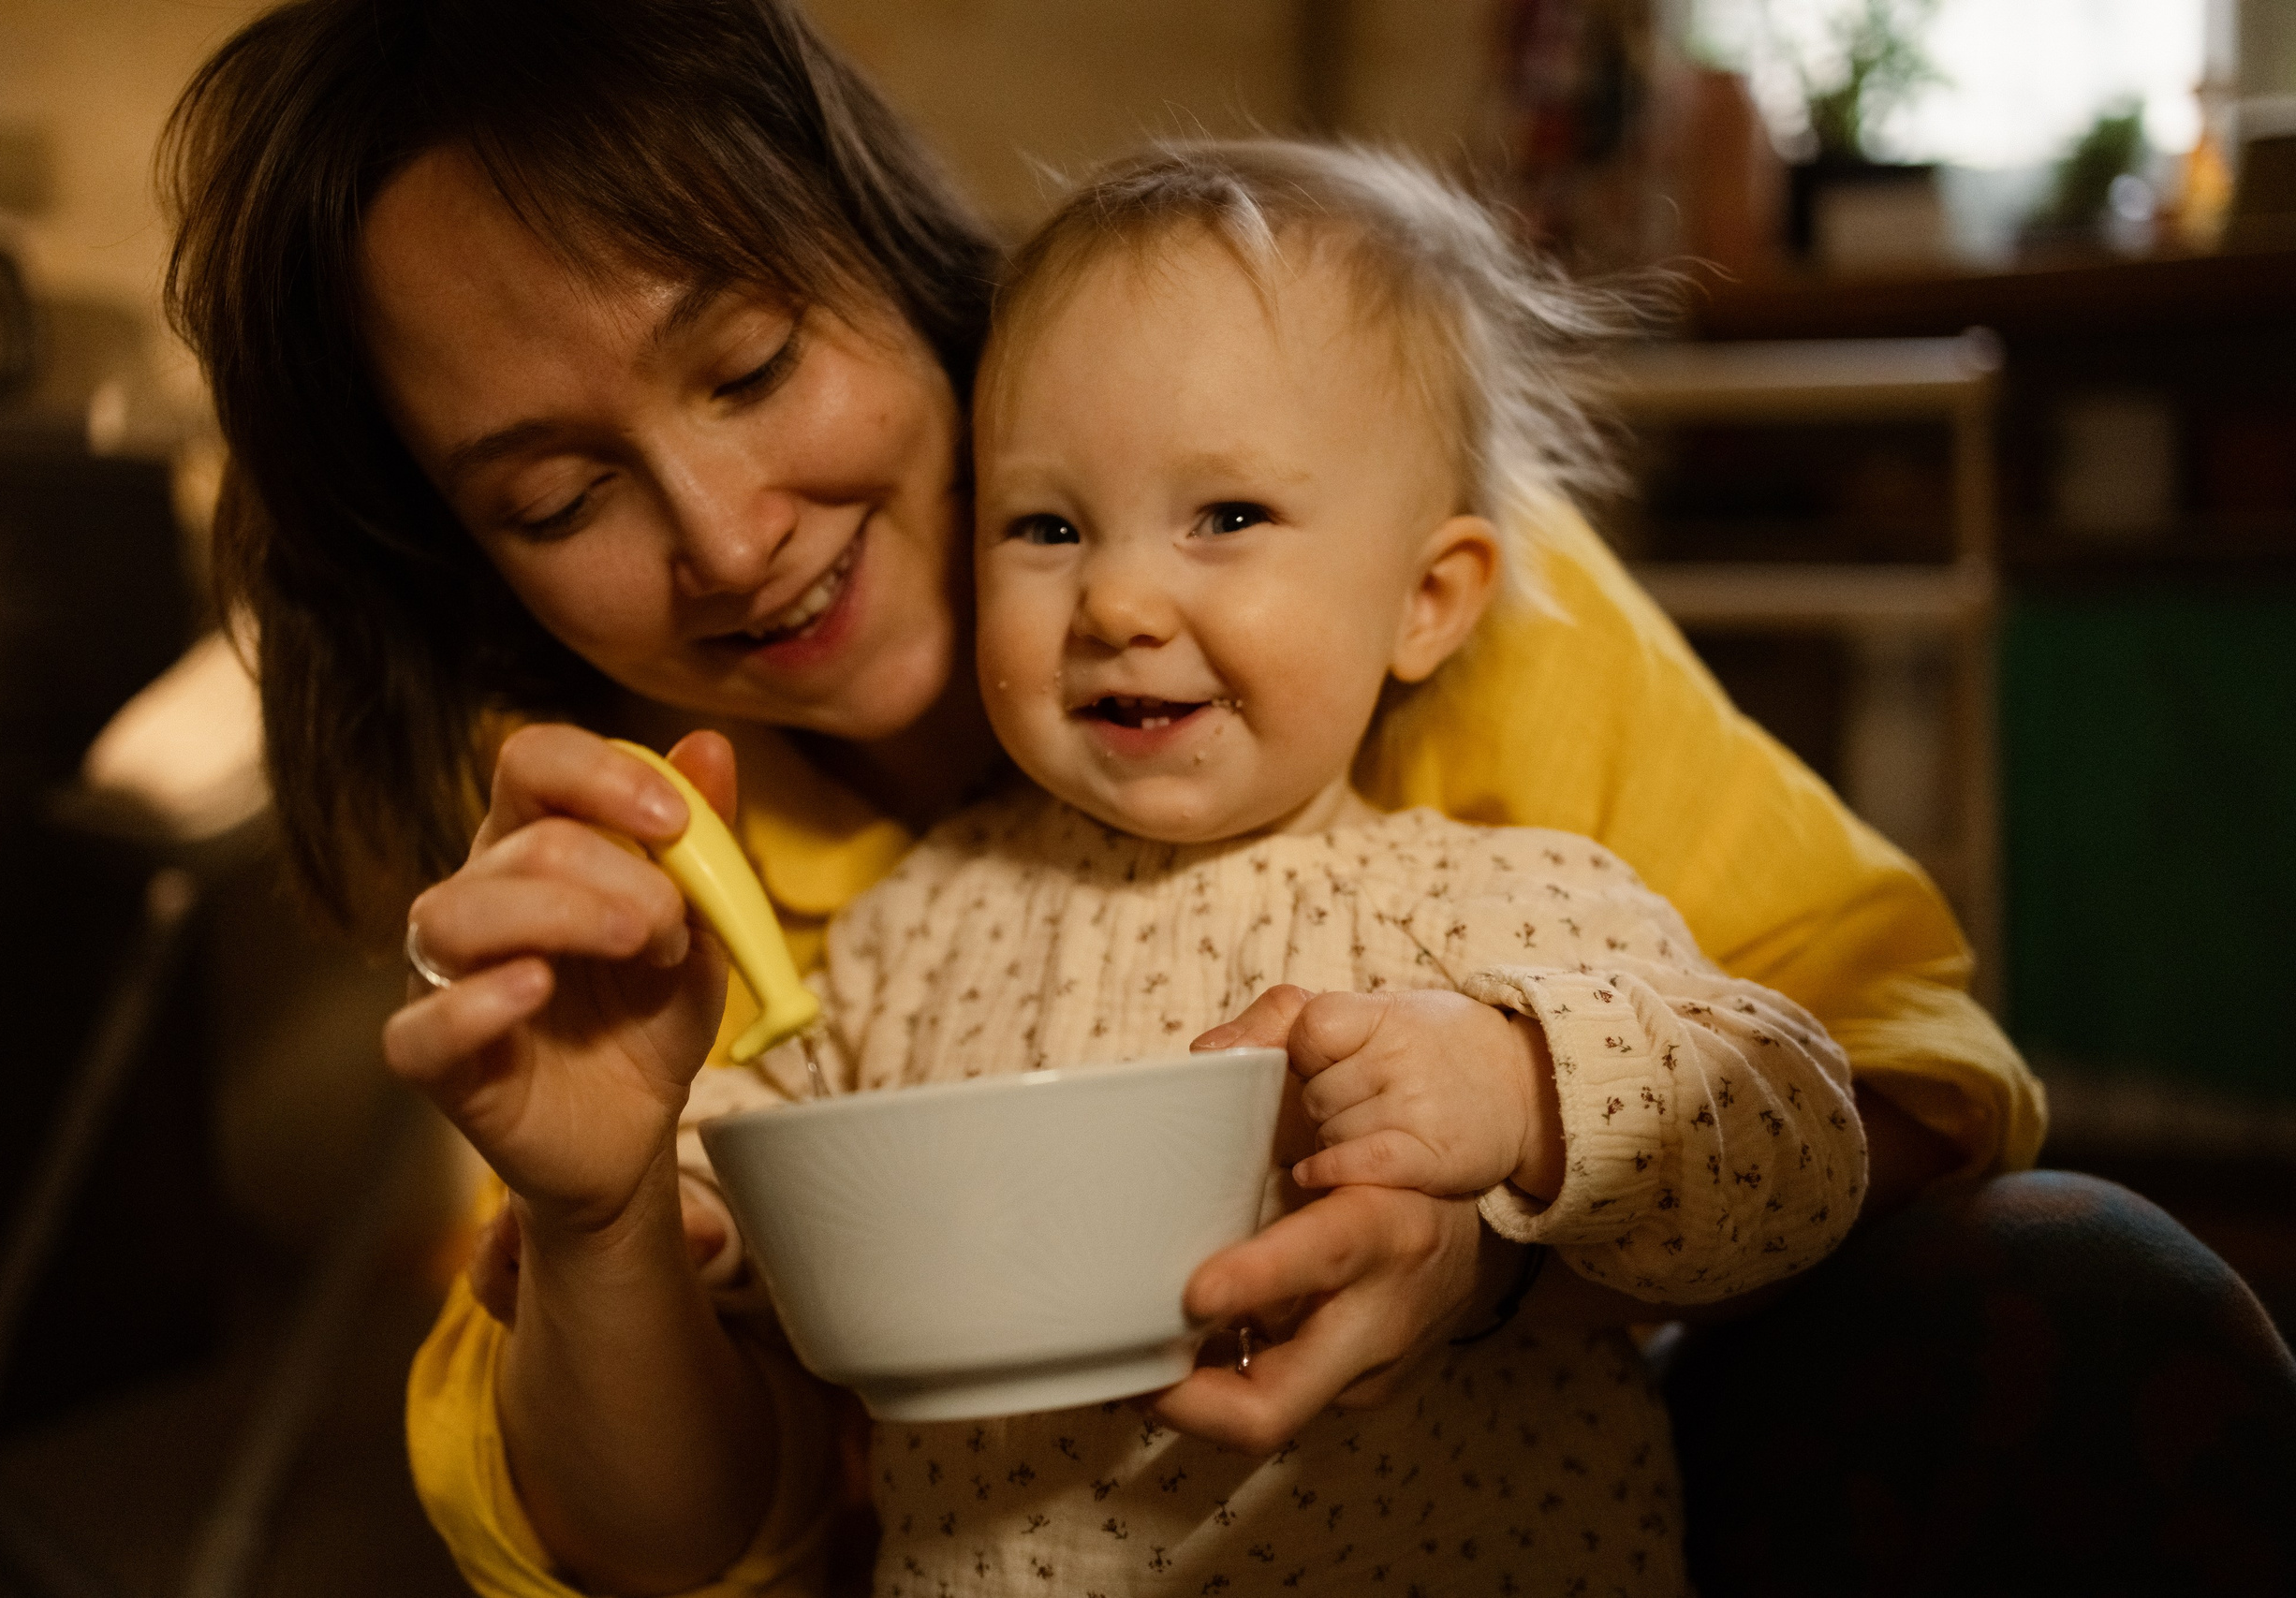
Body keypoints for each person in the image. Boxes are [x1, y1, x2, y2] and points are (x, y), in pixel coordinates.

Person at [156, 3, 2292, 1596]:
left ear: (894, 268)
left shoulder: (1367, 572)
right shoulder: (621, 858)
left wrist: (1499, 1228)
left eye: (744, 365)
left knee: (2084, 1286)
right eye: (557, 493)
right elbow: (648, 1543)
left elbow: (1879, 1059)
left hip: (1530, 1497)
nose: (723, 536)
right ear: (479, 563)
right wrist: (605, 1212)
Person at [661, 138, 1869, 1596]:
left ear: (1428, 601)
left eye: (1225, 517)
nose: (1114, 597)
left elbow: (1798, 1145)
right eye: (1045, 527)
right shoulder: (912, 925)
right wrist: (684, 1206)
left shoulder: (1491, 908)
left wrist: (1525, 1090)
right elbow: (785, 1144)